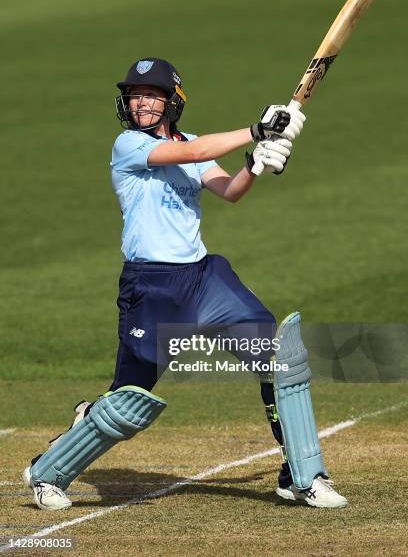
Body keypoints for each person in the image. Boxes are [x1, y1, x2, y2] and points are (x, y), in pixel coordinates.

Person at [23, 58, 347, 511]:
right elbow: (191, 156)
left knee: (277, 360)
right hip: (152, 288)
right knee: (127, 401)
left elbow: (229, 190)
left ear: (173, 101)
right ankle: (48, 471)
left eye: (152, 95)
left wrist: (255, 164)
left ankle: (301, 474)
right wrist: (257, 131)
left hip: (204, 278)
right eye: (135, 95)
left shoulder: (193, 142)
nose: (142, 103)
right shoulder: (128, 146)